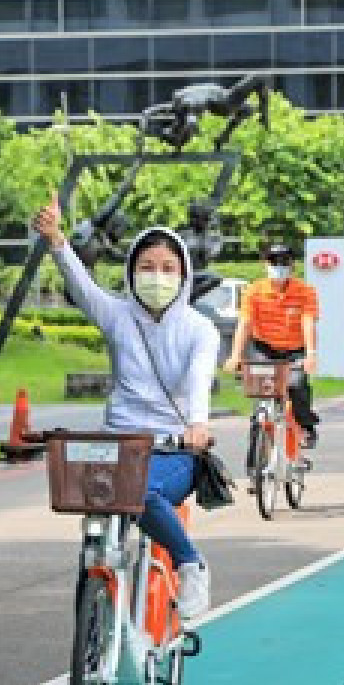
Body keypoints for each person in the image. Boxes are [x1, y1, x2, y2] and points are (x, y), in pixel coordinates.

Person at [33, 192, 215, 619]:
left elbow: (199, 377)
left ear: (184, 275)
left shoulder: (199, 330)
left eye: (168, 268)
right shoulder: (117, 316)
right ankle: (91, 661)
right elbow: (82, 285)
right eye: (147, 267)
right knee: (94, 536)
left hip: (173, 449)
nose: (157, 276)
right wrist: (57, 239)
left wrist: (198, 423)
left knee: (143, 492)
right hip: (117, 448)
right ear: (132, 273)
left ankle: (191, 563)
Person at [223, 242, 320, 449]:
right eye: (274, 262)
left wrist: (311, 354)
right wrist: (235, 355)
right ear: (265, 264)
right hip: (264, 349)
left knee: (296, 385)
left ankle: (306, 426)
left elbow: (308, 321)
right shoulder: (254, 291)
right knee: (261, 396)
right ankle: (255, 455)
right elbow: (245, 323)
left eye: (284, 262)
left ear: (292, 265)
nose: (279, 266)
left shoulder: (305, 291)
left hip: (295, 350)